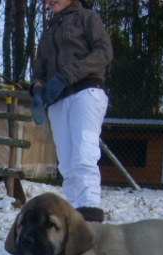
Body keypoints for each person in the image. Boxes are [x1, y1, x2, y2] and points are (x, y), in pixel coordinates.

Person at [30, 0, 112, 222]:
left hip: (86, 92)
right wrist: (37, 87)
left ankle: (91, 217)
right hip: (58, 100)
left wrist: (67, 75)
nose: (50, 1)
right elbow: (40, 69)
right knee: (66, 163)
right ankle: (76, 218)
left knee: (84, 155)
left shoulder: (87, 17)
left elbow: (104, 52)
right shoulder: (48, 32)